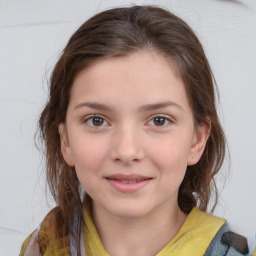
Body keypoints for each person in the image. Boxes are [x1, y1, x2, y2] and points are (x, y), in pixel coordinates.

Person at [19, 5, 255, 256]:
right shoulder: (41, 247)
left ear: (197, 140)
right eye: (97, 120)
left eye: (159, 121)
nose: (127, 151)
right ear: (65, 140)